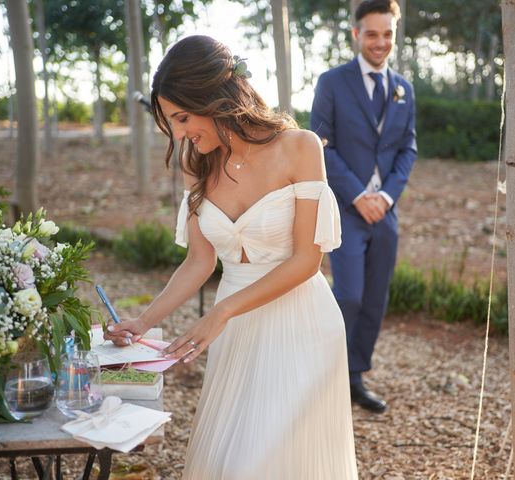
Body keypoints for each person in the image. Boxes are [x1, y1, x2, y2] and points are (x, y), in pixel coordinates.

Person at [103, 35, 358, 479]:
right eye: (170, 121)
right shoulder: (196, 163)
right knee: (226, 461)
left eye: (182, 117)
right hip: (235, 332)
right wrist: (143, 323)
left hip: (302, 327)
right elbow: (199, 262)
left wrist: (221, 311)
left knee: (263, 463)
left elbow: (306, 262)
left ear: (215, 97)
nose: (179, 133)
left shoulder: (301, 147)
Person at [310, 0, 417, 413]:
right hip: (346, 210)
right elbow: (320, 144)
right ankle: (327, 374)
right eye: (372, 34)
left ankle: (354, 377)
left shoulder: (404, 88)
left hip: (385, 213)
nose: (380, 42)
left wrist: (386, 197)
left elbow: (408, 148)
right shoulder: (331, 82)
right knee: (349, 295)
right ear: (356, 35)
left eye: (387, 34)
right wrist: (358, 195)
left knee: (375, 299)